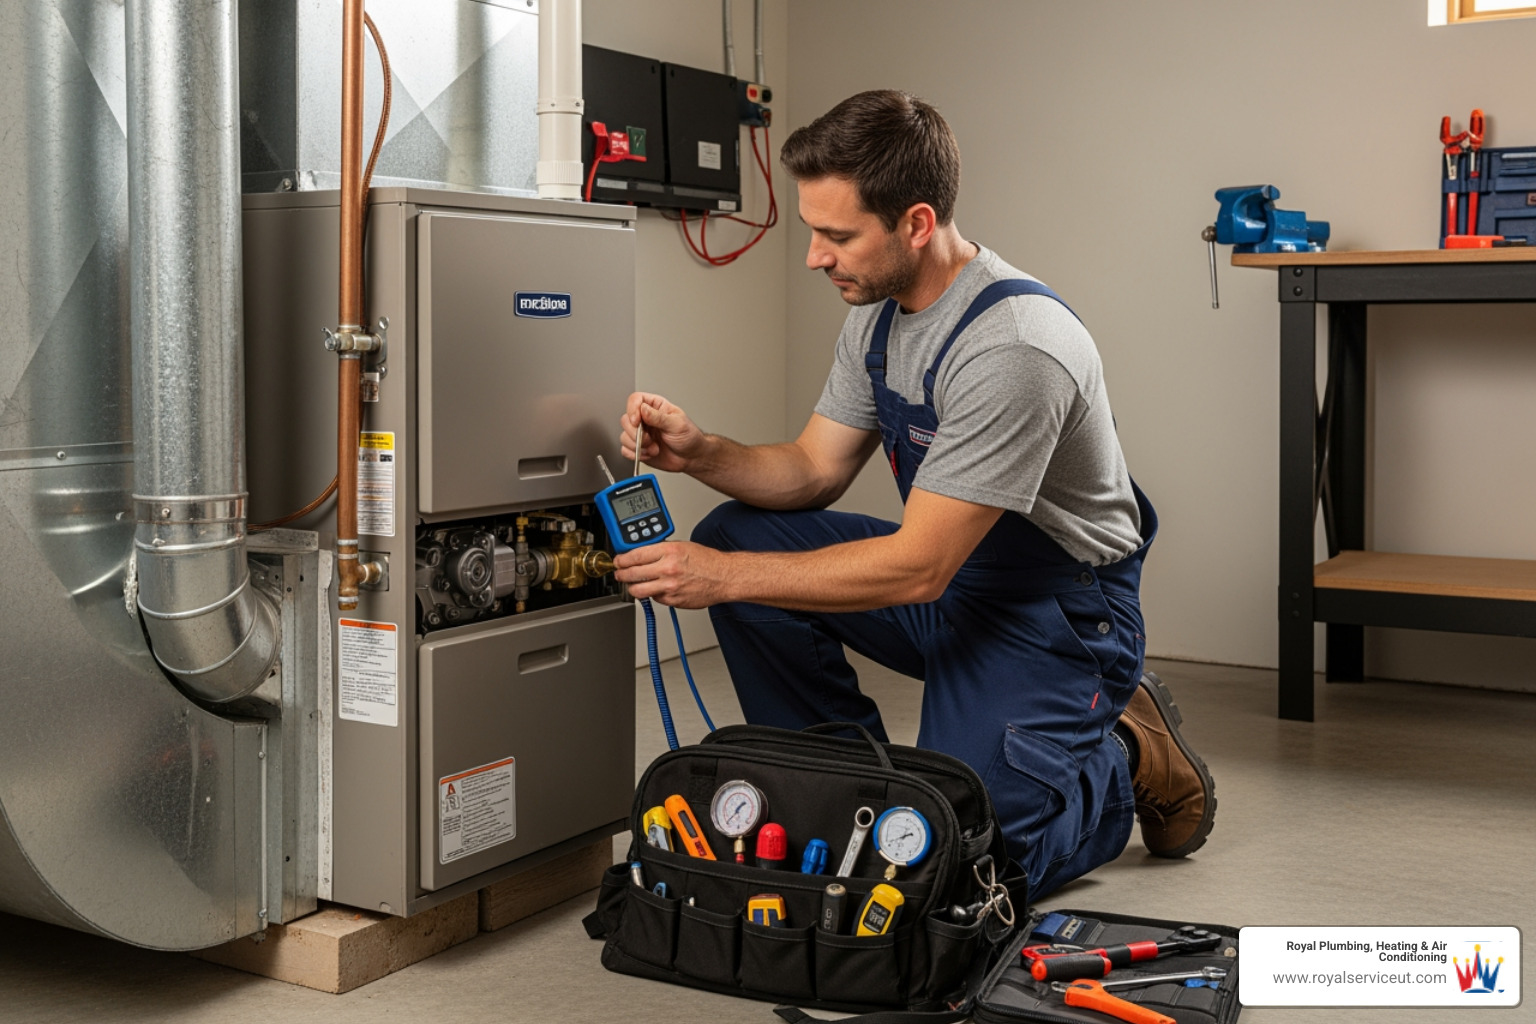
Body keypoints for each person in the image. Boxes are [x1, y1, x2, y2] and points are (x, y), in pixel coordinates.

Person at [614, 90, 1214, 897]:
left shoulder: (1014, 347)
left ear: (917, 222)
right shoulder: (879, 312)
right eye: (812, 232)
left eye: (836, 235)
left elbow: (918, 566)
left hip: (1057, 615)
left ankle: (1122, 755)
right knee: (737, 535)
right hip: (948, 578)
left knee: (969, 867)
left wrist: (715, 580)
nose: (814, 258)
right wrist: (702, 452)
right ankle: (846, 794)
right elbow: (812, 471)